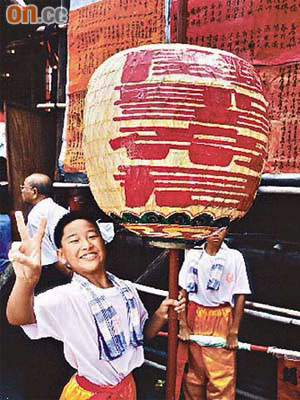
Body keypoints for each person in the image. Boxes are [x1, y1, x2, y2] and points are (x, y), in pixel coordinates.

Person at [7, 211, 185, 399]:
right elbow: (18, 317)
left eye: (92, 236)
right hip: (89, 394)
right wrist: (26, 282)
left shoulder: (127, 290)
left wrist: (160, 314)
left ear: (103, 243)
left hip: (126, 389)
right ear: (61, 256)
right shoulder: (67, 298)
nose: (86, 244)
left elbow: (142, 336)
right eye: (74, 241)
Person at [176, 227, 251, 400]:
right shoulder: (194, 255)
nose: (216, 234)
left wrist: (234, 331)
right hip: (194, 314)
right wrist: (183, 325)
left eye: (221, 230)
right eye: (212, 229)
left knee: (221, 378)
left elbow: (241, 295)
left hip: (222, 316)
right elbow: (183, 292)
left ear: (227, 232)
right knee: (194, 375)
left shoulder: (234, 257)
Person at [20, 173, 71, 291]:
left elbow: (49, 255)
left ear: (34, 192)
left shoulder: (36, 216)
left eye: (24, 187)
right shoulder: (56, 208)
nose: (22, 190)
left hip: (54, 273)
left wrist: (71, 276)